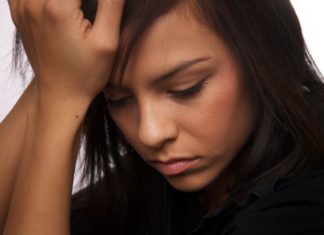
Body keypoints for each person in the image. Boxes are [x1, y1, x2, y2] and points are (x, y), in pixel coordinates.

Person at [1, 0, 324, 234]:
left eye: (186, 89)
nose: (150, 134)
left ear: (265, 56)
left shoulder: (300, 211)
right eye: (118, 99)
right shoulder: (147, 190)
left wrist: (60, 98)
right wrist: (54, 71)